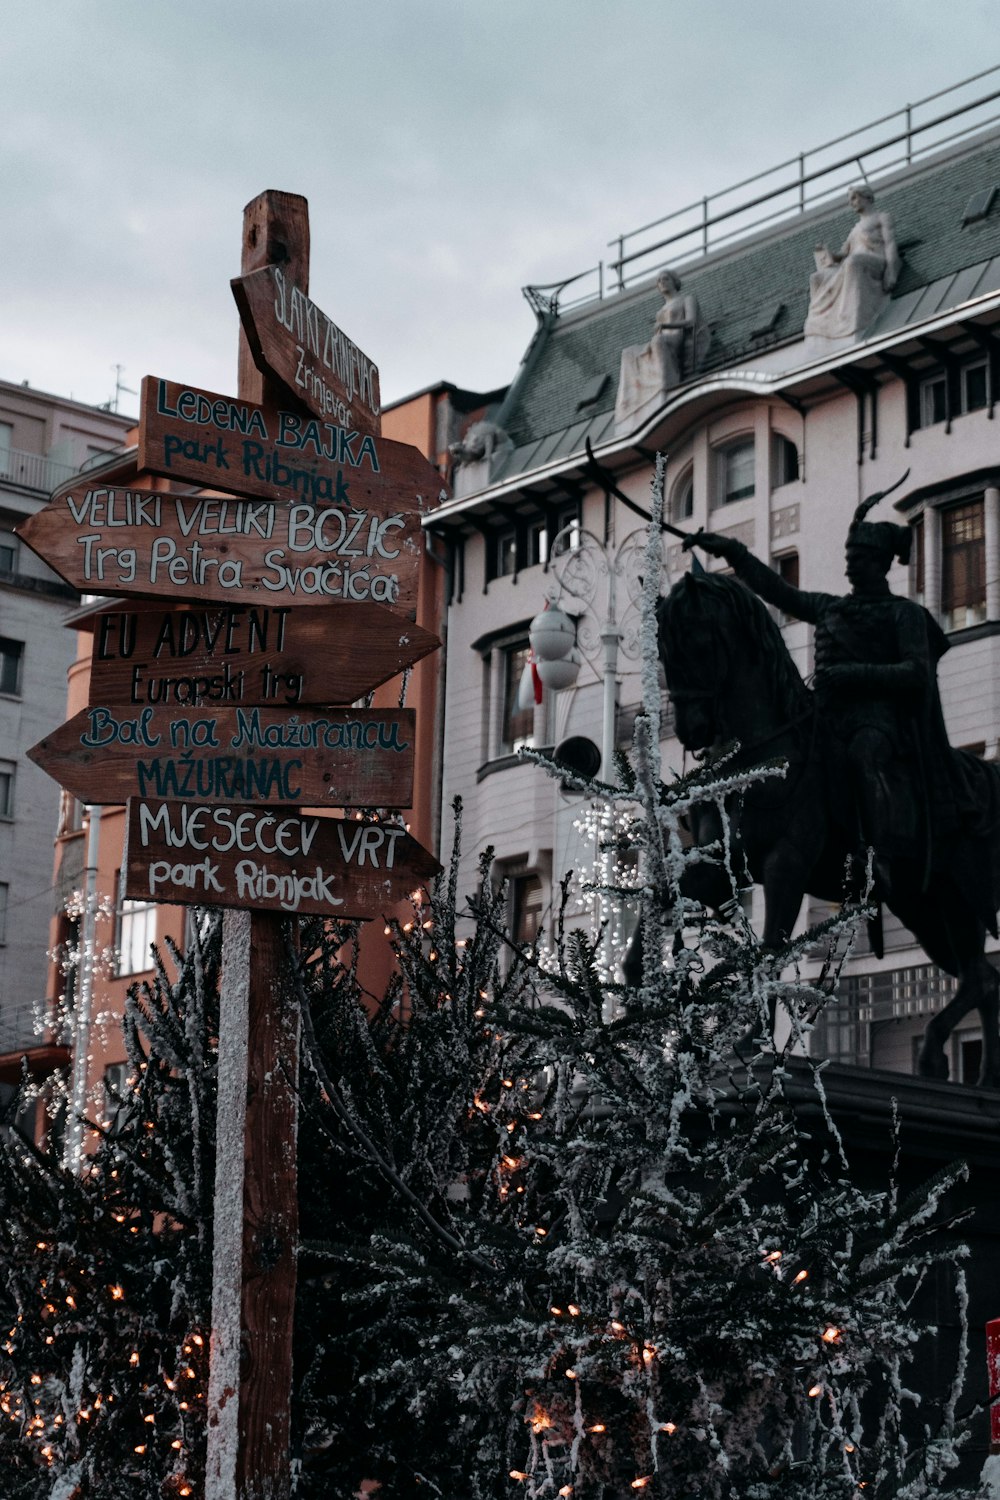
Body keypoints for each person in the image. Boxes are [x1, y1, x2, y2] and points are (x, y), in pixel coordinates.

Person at [683, 505, 970, 901]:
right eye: (849, 560)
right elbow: (777, 590)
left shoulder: (905, 614)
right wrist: (732, 551)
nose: (851, 568)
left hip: (877, 720)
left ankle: (877, 856)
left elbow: (916, 672)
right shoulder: (830, 607)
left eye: (860, 561)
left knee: (862, 759)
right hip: (826, 716)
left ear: (882, 564)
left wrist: (856, 674)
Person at [804, 185, 900, 340]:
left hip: (875, 263)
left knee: (852, 262)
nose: (852, 203)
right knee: (816, 278)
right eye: (850, 200)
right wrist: (827, 253)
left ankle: (846, 315)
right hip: (854, 263)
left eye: (855, 198)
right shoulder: (855, 229)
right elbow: (842, 255)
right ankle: (819, 328)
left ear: (867, 197)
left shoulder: (881, 217)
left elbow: (890, 244)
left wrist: (891, 271)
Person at [615, 271, 704, 427]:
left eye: (665, 279)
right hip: (661, 340)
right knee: (628, 353)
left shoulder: (686, 299)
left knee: (657, 341)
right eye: (658, 281)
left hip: (677, 338)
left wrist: (665, 325)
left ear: (674, 281)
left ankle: (665, 385)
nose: (662, 282)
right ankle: (629, 402)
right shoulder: (661, 310)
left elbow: (691, 321)